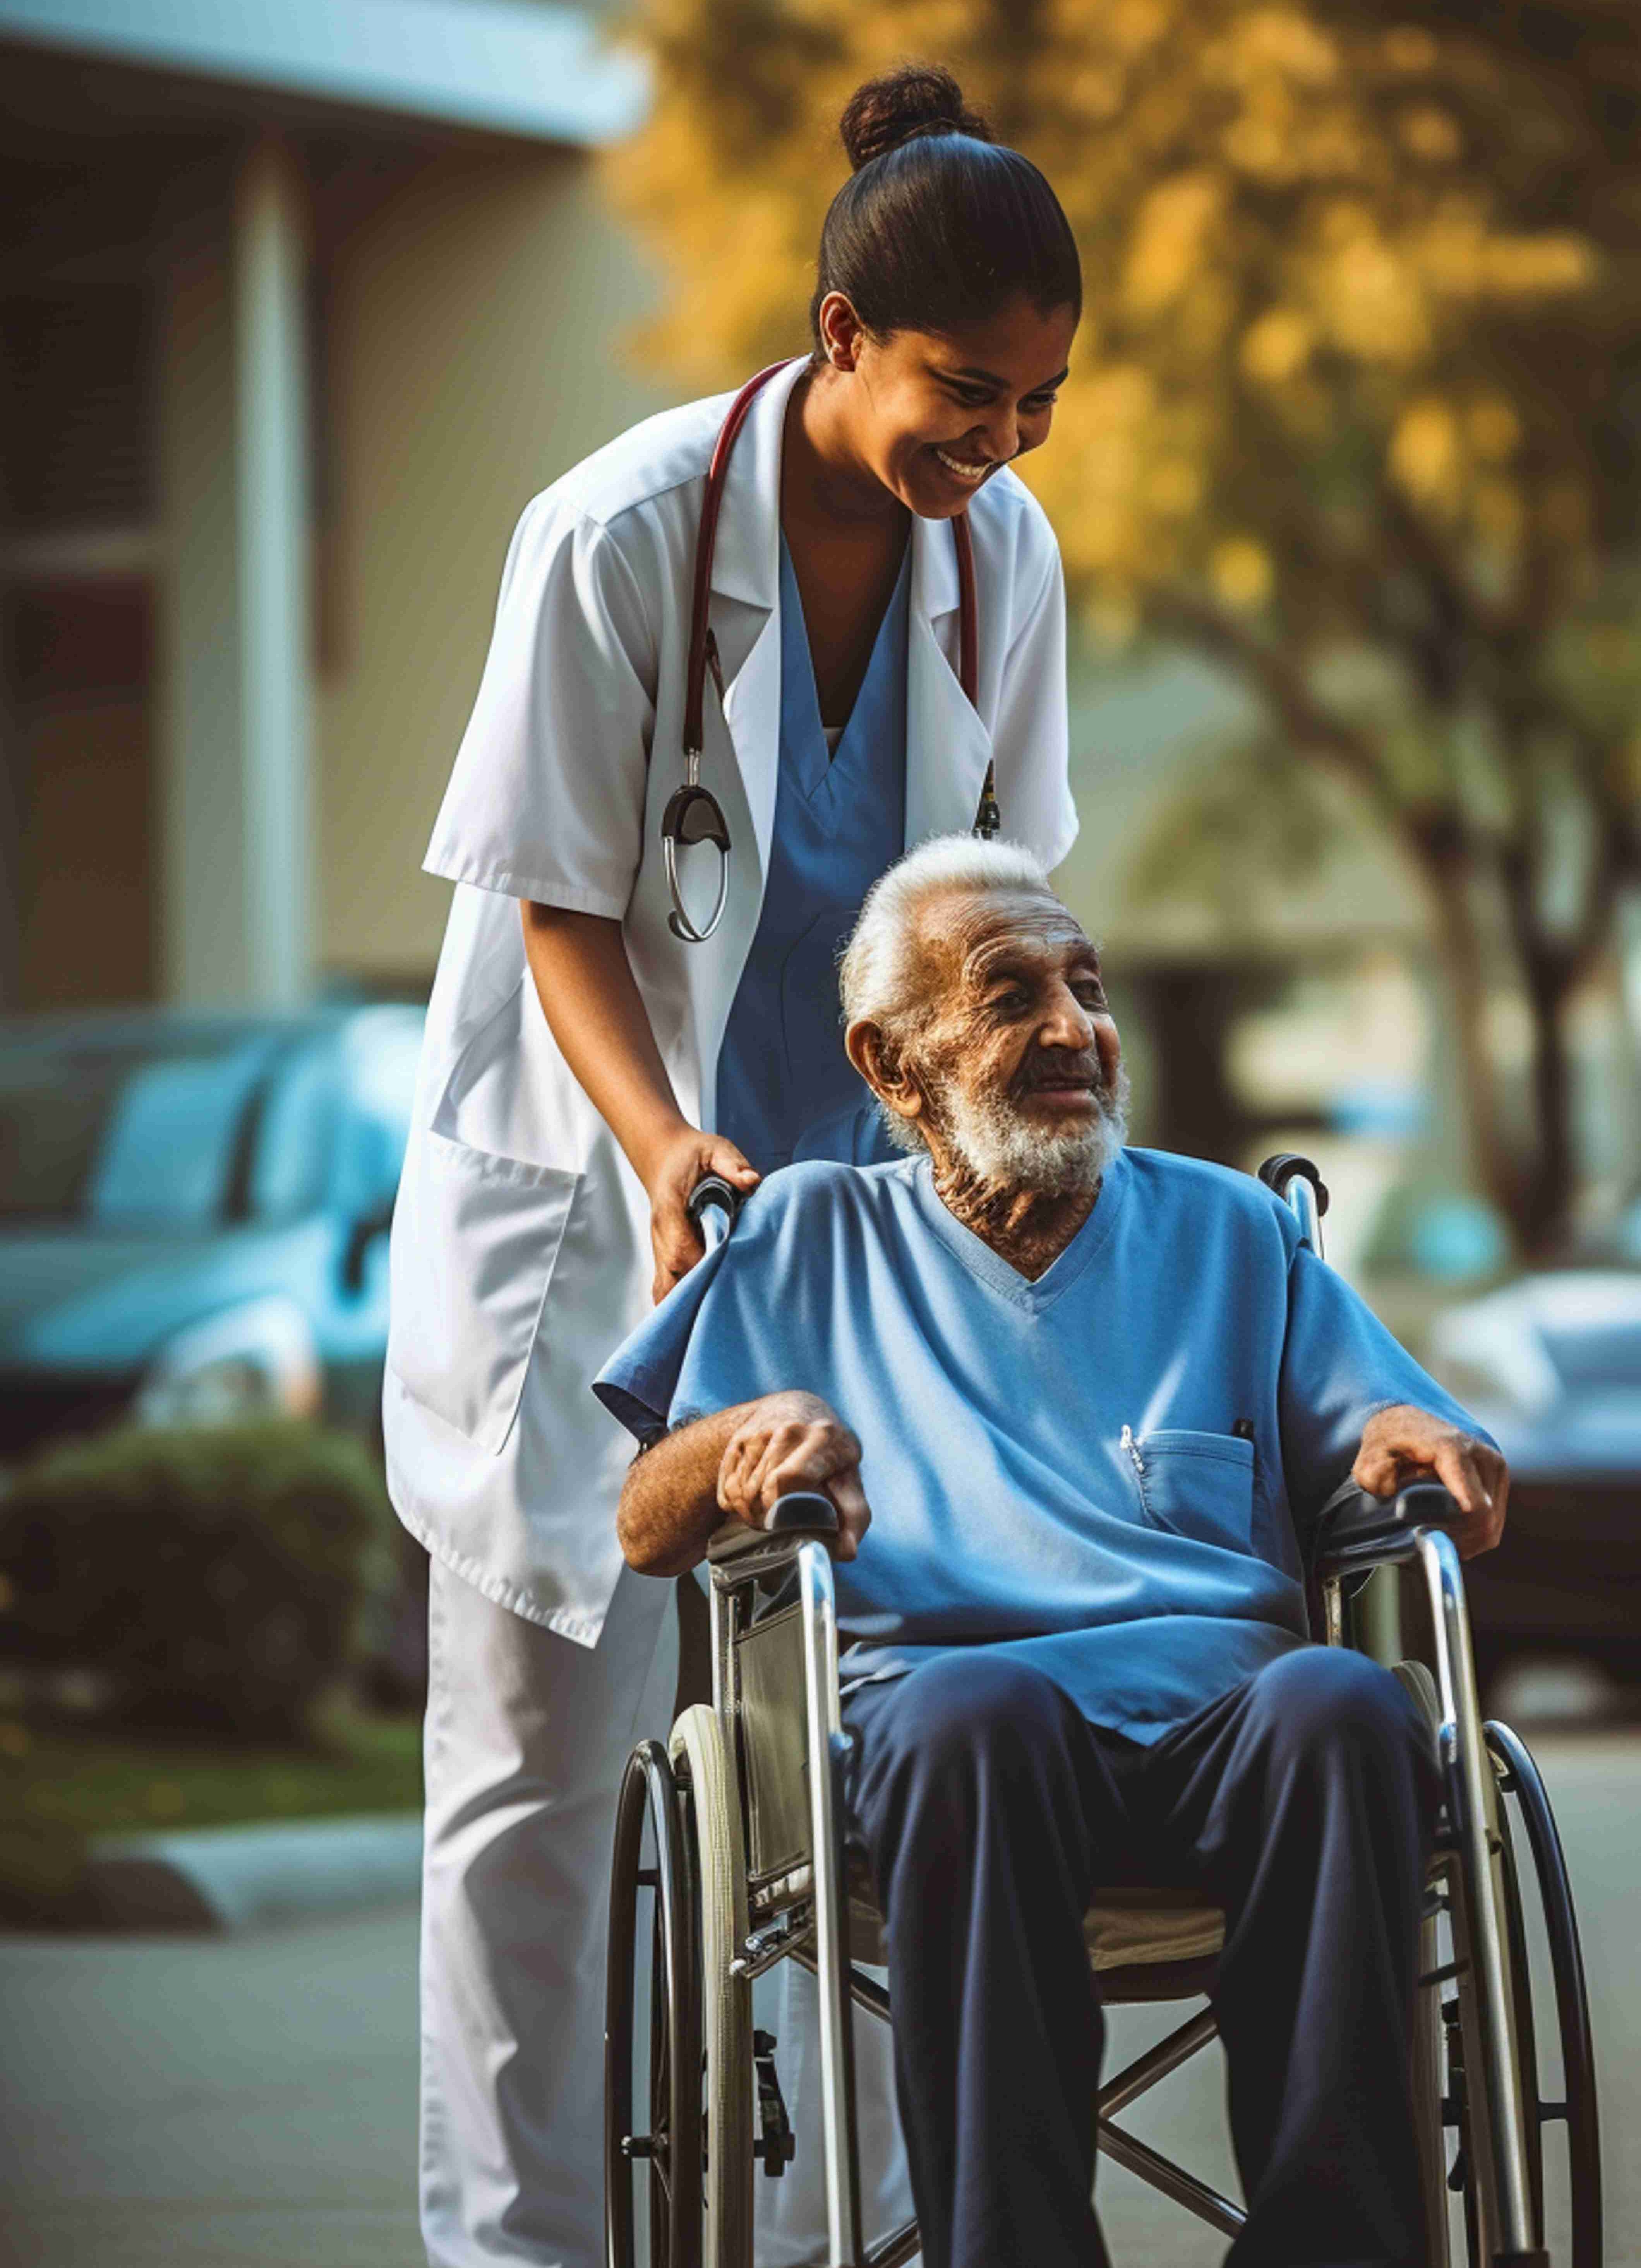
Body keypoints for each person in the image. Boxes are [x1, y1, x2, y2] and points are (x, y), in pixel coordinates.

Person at [383, 67, 1082, 2268]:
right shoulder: (615, 535)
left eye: (1042, 404)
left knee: (837, 1778)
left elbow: (992, 894)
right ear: (841, 330)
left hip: (856, 1243)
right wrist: (665, 1138)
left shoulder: (1007, 561)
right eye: (968, 391)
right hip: (609, 1215)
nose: (1001, 444)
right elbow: (556, 904)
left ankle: (828, 2241)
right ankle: (516, 2251)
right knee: (537, 1778)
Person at [596, 834, 1510, 2268]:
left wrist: (1409, 1433)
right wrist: (738, 1438)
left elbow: (1374, 1433)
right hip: (952, 1746)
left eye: (1086, 986)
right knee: (976, 1714)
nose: (1073, 1027)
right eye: (1010, 992)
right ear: (894, 1065)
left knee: (1344, 1703)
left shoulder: (1230, 1225)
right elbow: (647, 1523)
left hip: (1226, 1729)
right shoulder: (804, 1234)